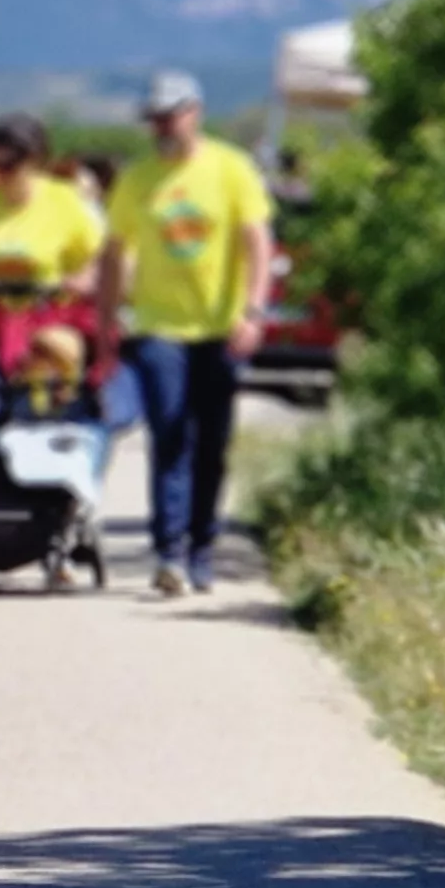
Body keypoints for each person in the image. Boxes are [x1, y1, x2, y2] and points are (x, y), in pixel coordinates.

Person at [98, 70, 278, 597]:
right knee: (170, 432)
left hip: (220, 326)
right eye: (154, 120)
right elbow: (113, 252)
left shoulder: (231, 169)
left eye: (170, 117)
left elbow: (256, 242)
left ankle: (203, 546)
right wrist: (106, 318)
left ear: (194, 112)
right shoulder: (138, 178)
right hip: (158, 326)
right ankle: (170, 551)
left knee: (212, 442)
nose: (161, 128)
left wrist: (253, 310)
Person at [0, 113, 105, 302]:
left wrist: (83, 280)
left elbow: (97, 257)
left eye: (8, 165)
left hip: (46, 310)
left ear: (34, 161)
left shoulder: (63, 200)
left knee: (55, 334)